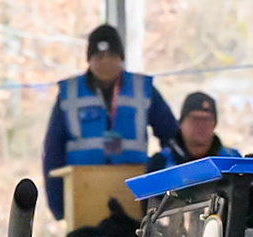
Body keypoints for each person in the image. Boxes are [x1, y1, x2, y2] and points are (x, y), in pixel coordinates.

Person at [42, 24, 179, 221]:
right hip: (83, 193)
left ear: (121, 57)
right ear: (89, 59)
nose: (105, 61)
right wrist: (57, 204)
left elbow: (173, 137)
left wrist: (163, 187)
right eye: (99, 56)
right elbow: (52, 151)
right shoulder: (69, 93)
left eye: (111, 55)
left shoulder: (142, 89)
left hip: (133, 192)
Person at [147, 92, 237, 172]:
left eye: (206, 120)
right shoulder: (160, 163)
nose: (201, 125)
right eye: (195, 119)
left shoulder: (232, 160)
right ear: (181, 123)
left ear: (215, 124)